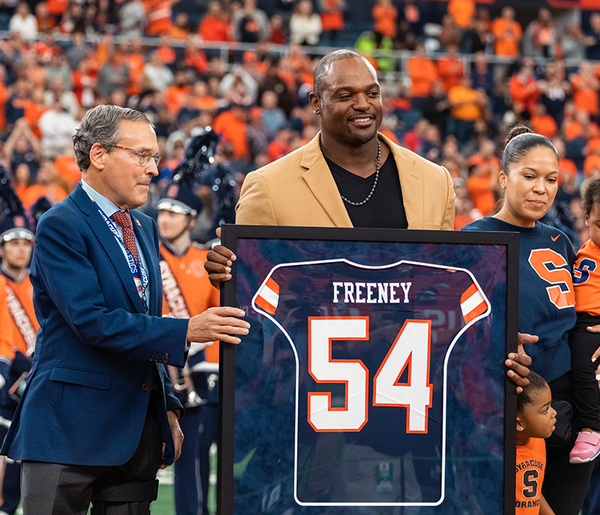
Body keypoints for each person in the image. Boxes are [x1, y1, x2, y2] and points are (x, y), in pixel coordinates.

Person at [205, 49, 532, 390]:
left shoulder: (435, 181)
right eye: (346, 95)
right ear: (316, 103)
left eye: (372, 93)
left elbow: (444, 288)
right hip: (310, 387)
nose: (363, 104)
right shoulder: (269, 185)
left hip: (413, 385)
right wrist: (227, 272)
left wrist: (497, 334)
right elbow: (252, 295)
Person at [0, 105, 250, 515]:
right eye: (142, 155)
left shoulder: (145, 227)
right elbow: (91, 321)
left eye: (155, 157)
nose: (154, 169)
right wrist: (187, 330)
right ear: (99, 155)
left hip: (136, 429)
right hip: (67, 427)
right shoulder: (60, 223)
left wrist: (167, 403)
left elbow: (144, 324)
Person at [463, 126, 598, 515]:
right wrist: (493, 335)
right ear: (503, 178)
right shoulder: (474, 238)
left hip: (571, 401)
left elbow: (585, 304)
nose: (542, 188)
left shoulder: (560, 240)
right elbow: (454, 325)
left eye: (551, 179)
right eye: (530, 176)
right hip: (506, 403)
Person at [157, 179, 220, 515]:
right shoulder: (149, 259)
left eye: (175, 212)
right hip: (160, 365)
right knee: (180, 454)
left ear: (191, 220)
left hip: (200, 370)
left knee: (199, 453)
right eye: (163, 211)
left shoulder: (206, 258)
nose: (165, 218)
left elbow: (219, 312)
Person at [0, 183, 37, 515]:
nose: (21, 249)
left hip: (32, 380)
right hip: (5, 378)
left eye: (27, 243)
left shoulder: (37, 284)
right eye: (14, 243)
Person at [569, 178, 600, 463]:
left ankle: (592, 429)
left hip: (595, 322)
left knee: (583, 368)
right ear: (587, 216)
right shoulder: (578, 248)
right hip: (576, 320)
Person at [516, 371, 557, 515]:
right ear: (519, 423)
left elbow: (534, 493)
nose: (554, 413)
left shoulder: (538, 441)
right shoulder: (497, 453)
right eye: (545, 410)